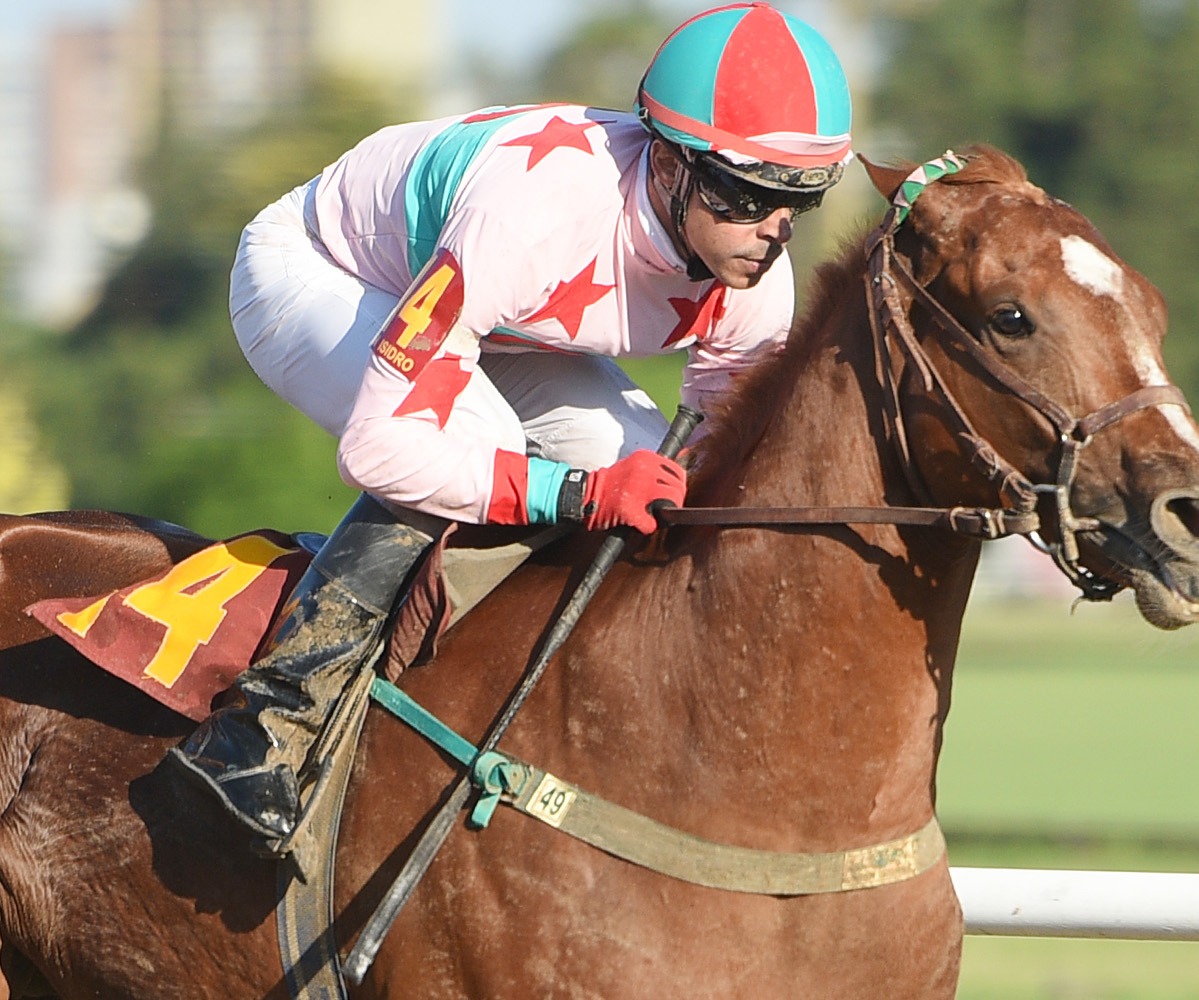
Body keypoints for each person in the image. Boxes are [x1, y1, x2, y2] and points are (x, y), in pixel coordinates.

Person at [169, 1, 854, 855]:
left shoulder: (756, 276)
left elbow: (720, 457)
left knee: (650, 470)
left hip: (502, 324)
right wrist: (575, 493)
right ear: (670, 164)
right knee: (476, 442)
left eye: (798, 202)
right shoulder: (530, 217)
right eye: (748, 196)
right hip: (321, 272)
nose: (773, 231)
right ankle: (266, 724)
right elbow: (380, 449)